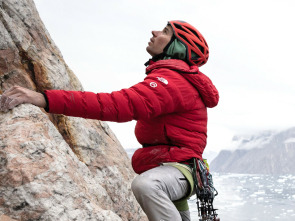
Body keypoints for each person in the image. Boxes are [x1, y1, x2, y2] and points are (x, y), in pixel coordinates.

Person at [0, 20, 219, 221]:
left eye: (165, 32)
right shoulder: (175, 80)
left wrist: (44, 98)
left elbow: (116, 105)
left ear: (177, 48)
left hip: (176, 171)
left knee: (147, 186)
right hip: (177, 170)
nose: (155, 32)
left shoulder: (172, 83)